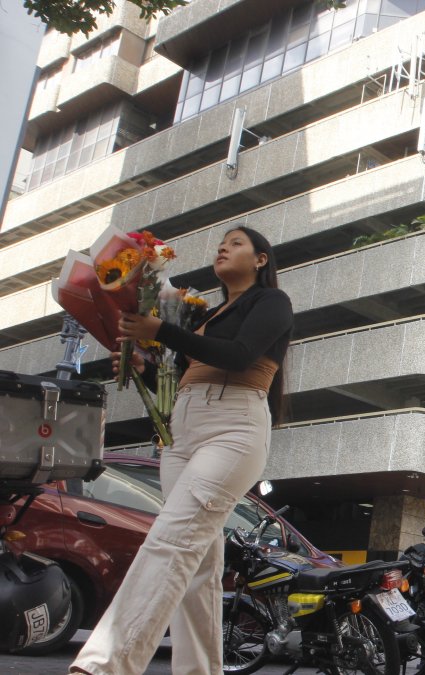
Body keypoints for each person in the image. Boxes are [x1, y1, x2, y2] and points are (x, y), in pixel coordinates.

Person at [71, 226, 293, 675]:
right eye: (221, 243)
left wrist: (161, 332)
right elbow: (183, 382)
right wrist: (141, 368)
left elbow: (237, 355)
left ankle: (105, 663)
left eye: (235, 242)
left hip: (234, 427)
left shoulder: (272, 302)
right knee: (197, 569)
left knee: (169, 541)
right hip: (182, 433)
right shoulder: (208, 314)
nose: (223, 247)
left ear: (261, 259)